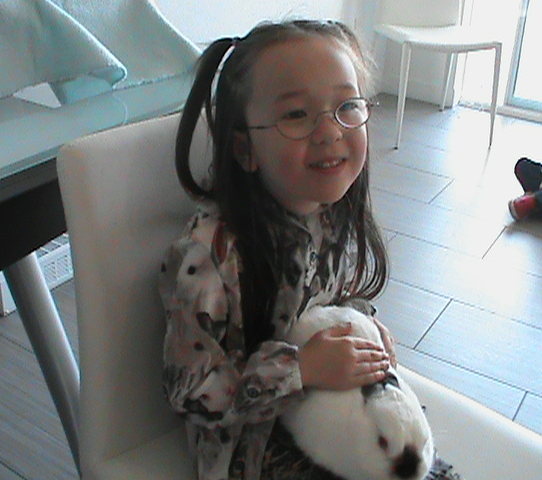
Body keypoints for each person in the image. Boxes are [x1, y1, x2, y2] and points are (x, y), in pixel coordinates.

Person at [159, 19, 461, 480]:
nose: (329, 131)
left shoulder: (330, 214)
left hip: (333, 418)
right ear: (245, 149)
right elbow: (191, 390)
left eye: (347, 106)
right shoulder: (207, 257)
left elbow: (329, 298)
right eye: (297, 114)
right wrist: (299, 369)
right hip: (251, 453)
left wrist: (362, 323)